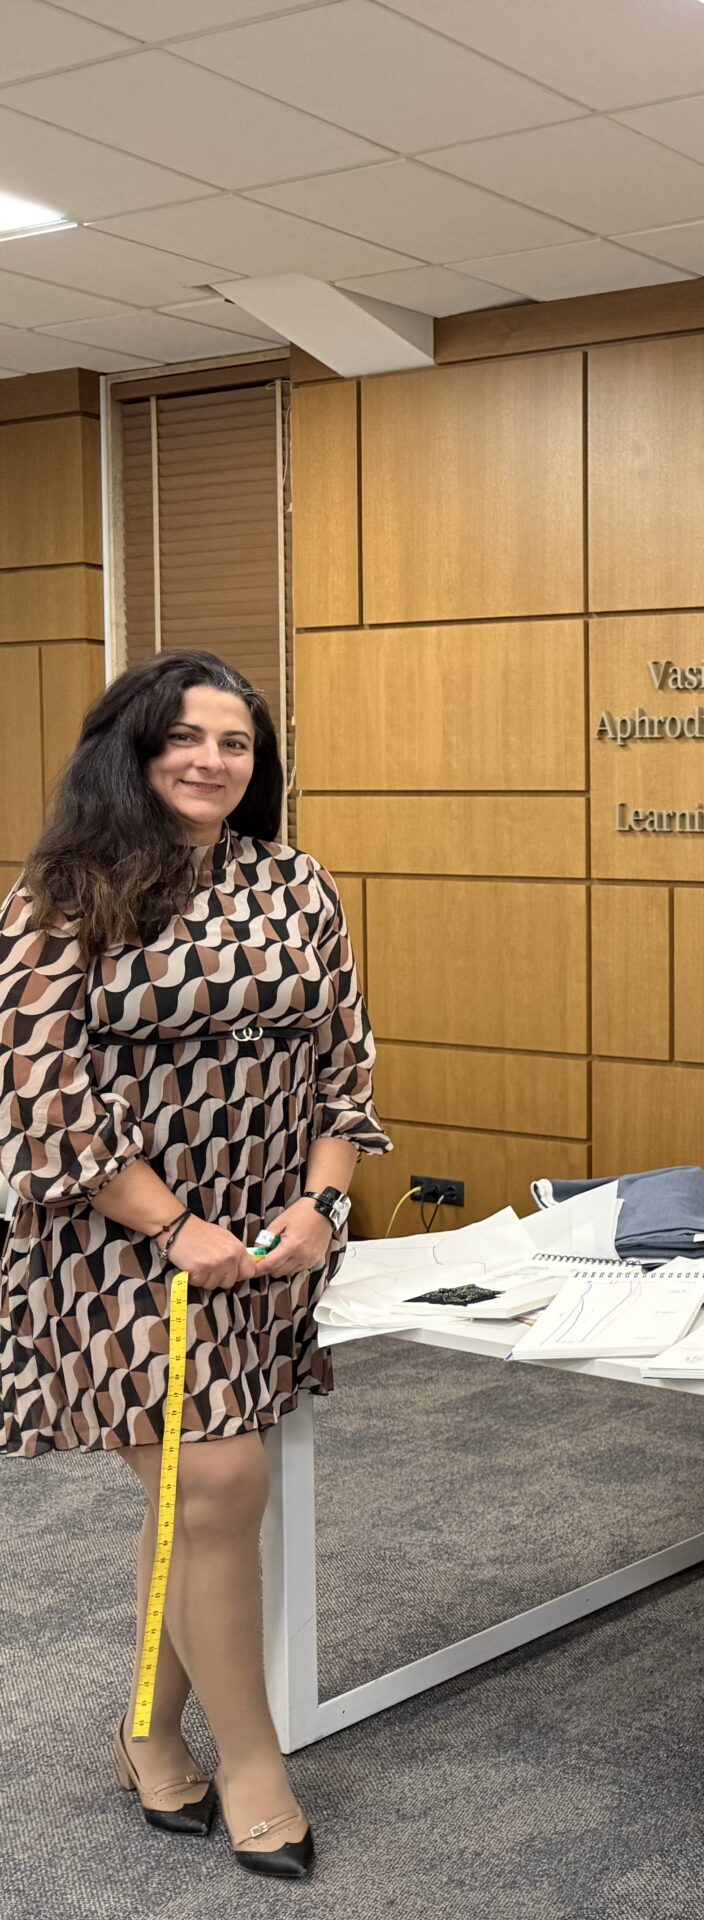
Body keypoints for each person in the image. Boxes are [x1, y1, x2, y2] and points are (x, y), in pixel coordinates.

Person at [1, 651, 386, 1879]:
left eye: (236, 742)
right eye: (187, 736)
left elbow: (344, 1063)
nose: (213, 760)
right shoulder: (63, 894)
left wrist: (324, 1201)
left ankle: (150, 1734)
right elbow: (43, 1094)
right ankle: (255, 1763)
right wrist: (171, 1227)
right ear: (133, 747)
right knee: (218, 1480)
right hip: (113, 1242)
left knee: (196, 1496)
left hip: (264, 1244)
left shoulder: (295, 882)